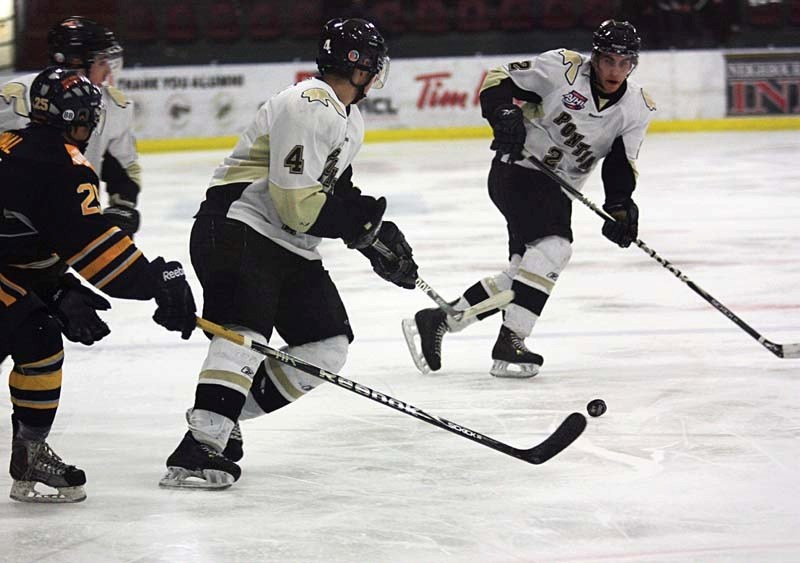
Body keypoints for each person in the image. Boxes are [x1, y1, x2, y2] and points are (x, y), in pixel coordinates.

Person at [159, 18, 417, 490]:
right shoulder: (306, 103)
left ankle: (219, 417)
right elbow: (298, 206)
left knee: (328, 346)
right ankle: (202, 446)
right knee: (244, 332)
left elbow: (333, 192)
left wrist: (375, 238)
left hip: (286, 242)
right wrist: (359, 230)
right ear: (360, 67)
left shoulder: (347, 117)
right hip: (239, 227)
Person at [402, 20, 656, 378]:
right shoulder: (562, 69)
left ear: (634, 64)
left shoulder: (636, 107)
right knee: (555, 249)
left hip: (559, 188)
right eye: (608, 60)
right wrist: (503, 114)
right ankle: (511, 341)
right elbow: (498, 79)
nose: (615, 70)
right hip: (517, 169)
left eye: (624, 62)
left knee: (526, 272)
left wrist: (620, 205)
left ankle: (441, 320)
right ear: (595, 57)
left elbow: (619, 162)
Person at [0, 67, 197, 503]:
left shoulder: (16, 143)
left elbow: (18, 238)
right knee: (32, 330)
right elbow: (106, 262)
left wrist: (55, 287)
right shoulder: (60, 164)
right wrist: (159, 279)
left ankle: (29, 454)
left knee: (36, 335)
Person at [0, 16, 141, 238]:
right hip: (14, 229)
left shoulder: (114, 105)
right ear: (75, 63)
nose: (108, 71)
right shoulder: (15, 96)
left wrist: (123, 207)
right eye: (102, 61)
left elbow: (123, 168)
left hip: (69, 223)